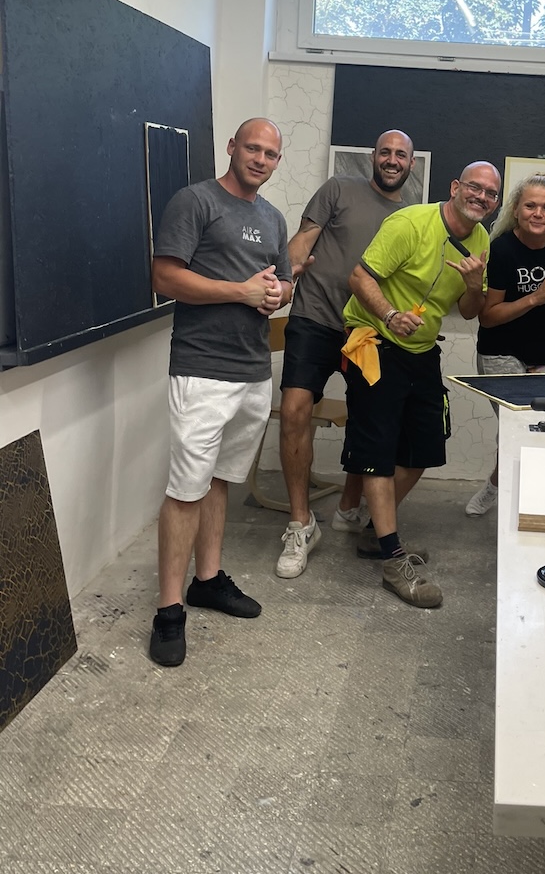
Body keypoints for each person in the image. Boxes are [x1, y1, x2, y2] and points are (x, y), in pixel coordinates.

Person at [148, 118, 292, 667]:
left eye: (270, 154)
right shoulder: (196, 202)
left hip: (253, 369)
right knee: (186, 488)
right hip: (203, 369)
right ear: (232, 147)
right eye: (252, 148)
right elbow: (164, 277)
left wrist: (277, 294)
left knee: (219, 480)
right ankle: (168, 610)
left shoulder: (273, 218)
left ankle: (206, 580)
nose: (260, 159)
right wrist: (241, 291)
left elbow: (280, 284)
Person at [340, 163, 500, 607]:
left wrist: (474, 285)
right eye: (474, 187)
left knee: (424, 448)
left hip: (422, 348)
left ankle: (375, 533)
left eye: (491, 194)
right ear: (456, 187)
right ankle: (393, 559)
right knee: (378, 454)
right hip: (373, 339)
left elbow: (469, 310)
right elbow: (358, 277)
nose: (481, 197)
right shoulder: (409, 223)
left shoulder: (482, 240)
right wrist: (390, 315)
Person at [275, 129, 416, 579]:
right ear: (373, 156)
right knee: (295, 409)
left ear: (411, 164)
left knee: (369, 422)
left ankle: (349, 507)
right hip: (314, 316)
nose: (392, 160)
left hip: (367, 329)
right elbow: (303, 240)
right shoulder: (337, 189)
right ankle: (301, 524)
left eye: (401, 155)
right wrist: (284, 278)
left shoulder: (411, 216)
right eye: (385, 152)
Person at [465, 172, 545, 516]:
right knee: (518, 428)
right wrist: (533, 298)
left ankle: (498, 486)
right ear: (516, 210)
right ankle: (512, 500)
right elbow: (487, 316)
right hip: (501, 353)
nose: (538, 213)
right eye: (530, 206)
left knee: (539, 431)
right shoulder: (503, 249)